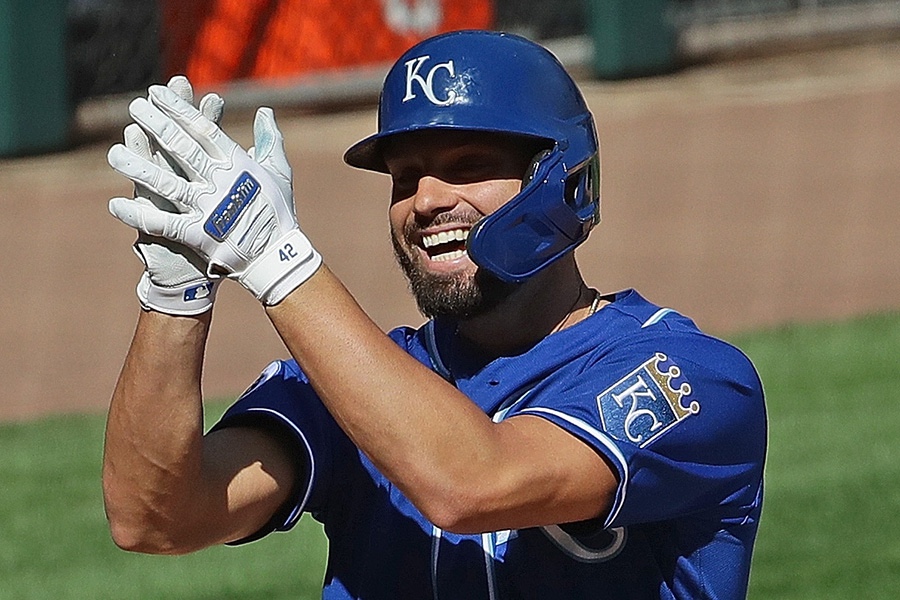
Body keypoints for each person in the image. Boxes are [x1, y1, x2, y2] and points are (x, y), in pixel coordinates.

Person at [103, 30, 766, 599]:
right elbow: (154, 519)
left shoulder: (691, 379)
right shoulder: (351, 385)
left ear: (564, 181)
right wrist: (174, 294)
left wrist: (277, 259)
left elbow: (474, 485)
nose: (425, 201)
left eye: (469, 167)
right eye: (406, 177)